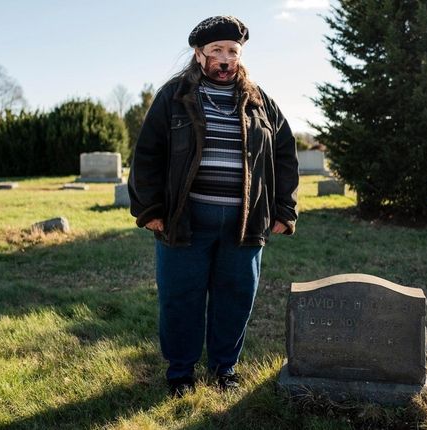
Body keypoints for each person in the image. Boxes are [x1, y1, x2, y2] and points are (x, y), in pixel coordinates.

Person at [128, 15, 299, 397]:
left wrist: (285, 210)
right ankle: (181, 374)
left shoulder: (260, 101)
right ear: (199, 53)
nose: (225, 59)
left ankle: (225, 369)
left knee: (235, 298)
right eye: (217, 51)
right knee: (181, 298)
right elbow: (147, 154)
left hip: (245, 222)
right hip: (184, 220)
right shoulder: (174, 96)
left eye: (232, 52)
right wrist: (150, 209)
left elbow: (285, 154)